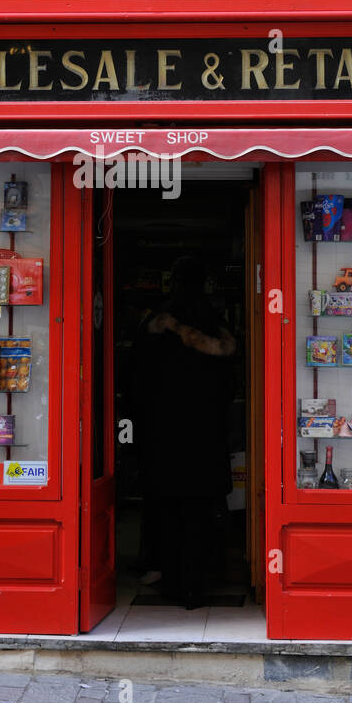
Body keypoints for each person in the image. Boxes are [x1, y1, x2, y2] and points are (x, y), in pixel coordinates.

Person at [129, 256, 236, 608]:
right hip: (204, 431)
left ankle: (172, 579)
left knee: (168, 510)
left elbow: (136, 372)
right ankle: (197, 583)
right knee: (201, 511)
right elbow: (228, 361)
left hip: (164, 433)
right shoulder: (212, 320)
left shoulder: (157, 322)